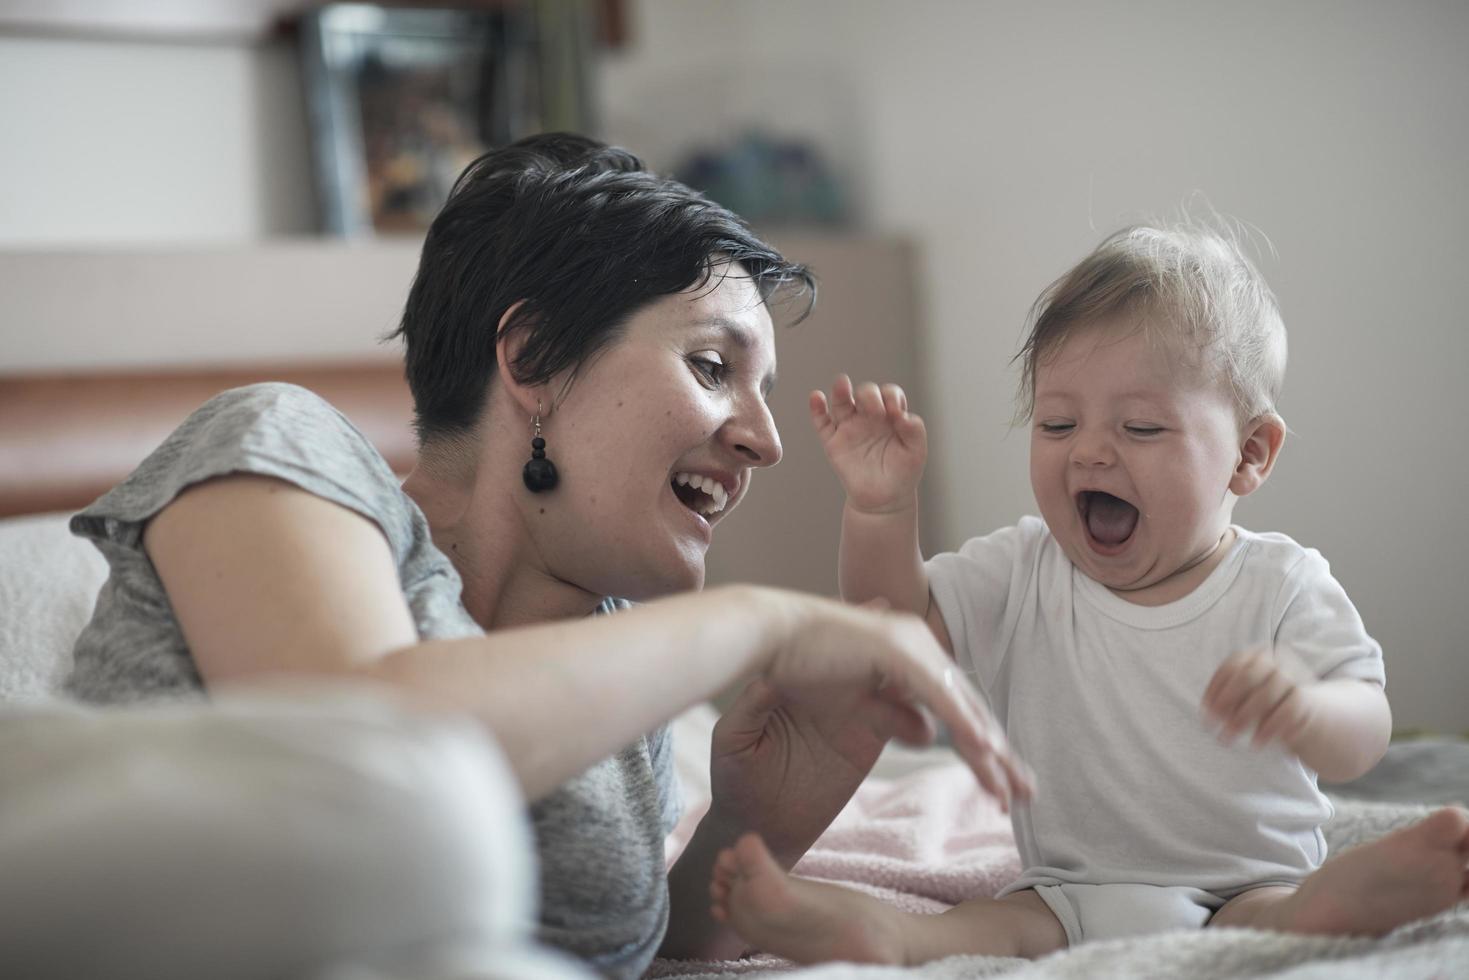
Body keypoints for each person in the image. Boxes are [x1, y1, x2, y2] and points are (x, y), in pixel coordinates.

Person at [28, 133, 1031, 978]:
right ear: (533, 357)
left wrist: (751, 822)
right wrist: (758, 619)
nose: (765, 439)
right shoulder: (281, 443)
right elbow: (365, 760)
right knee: (431, 817)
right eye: (714, 365)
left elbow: (614, 945)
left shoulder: (615, 656)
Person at [708, 222, 1469, 965]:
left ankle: (1344, 900)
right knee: (986, 926)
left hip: (1245, 884)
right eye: (1057, 422)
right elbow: (896, 628)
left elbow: (1366, 727)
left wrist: (1308, 710)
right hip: (1066, 892)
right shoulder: (1023, 569)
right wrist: (881, 509)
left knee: (1281, 918)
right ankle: (877, 933)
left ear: (1248, 454)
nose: (1091, 449)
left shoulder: (1281, 586)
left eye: (1140, 428)